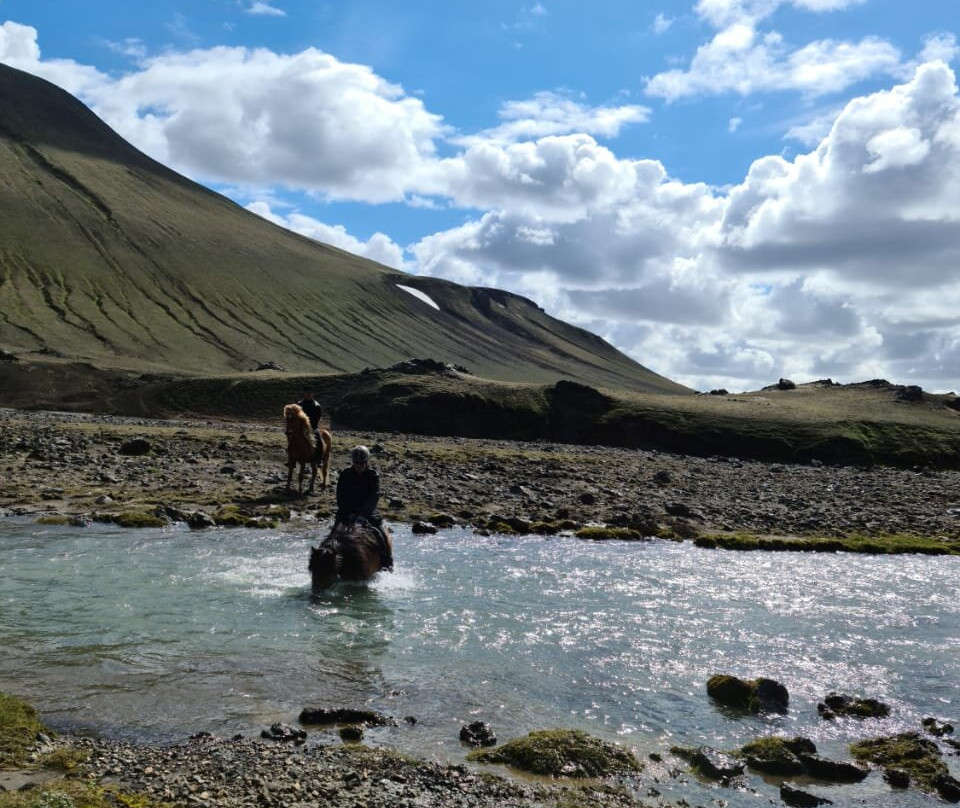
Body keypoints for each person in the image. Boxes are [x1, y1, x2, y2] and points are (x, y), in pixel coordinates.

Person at [335, 445, 392, 570]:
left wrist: (362, 515)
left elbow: (374, 497)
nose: (359, 466)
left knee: (381, 534)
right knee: (333, 535)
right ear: (353, 462)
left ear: (367, 462)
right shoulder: (345, 475)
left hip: (368, 513)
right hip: (346, 512)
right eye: (356, 463)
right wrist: (349, 513)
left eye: (362, 463)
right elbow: (340, 496)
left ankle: (387, 562)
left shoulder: (373, 476)